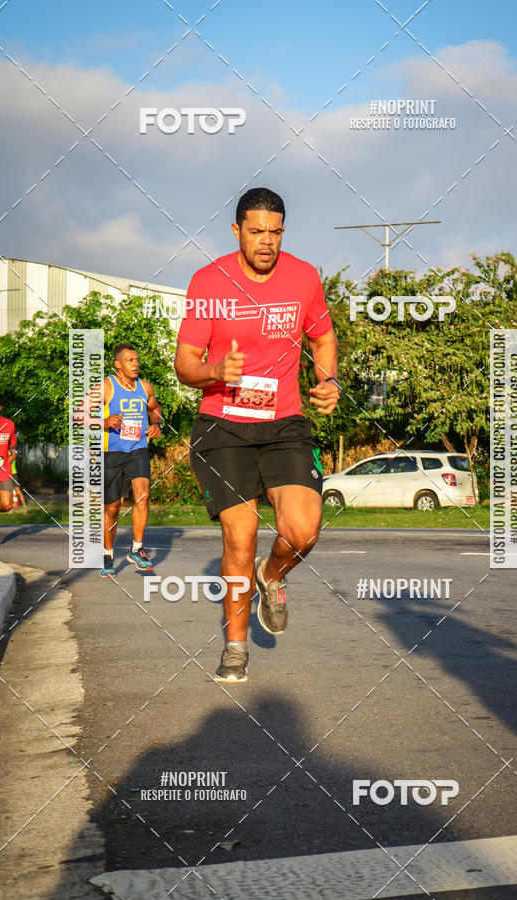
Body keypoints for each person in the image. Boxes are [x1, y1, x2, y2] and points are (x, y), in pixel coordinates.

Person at [175, 187, 340, 683]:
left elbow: (323, 337)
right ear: (236, 232)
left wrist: (327, 379)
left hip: (284, 423)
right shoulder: (208, 282)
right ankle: (234, 647)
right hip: (223, 426)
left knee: (304, 530)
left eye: (275, 232)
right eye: (256, 232)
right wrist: (214, 370)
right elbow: (184, 365)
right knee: (241, 534)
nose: (266, 241)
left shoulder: (304, 277)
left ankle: (271, 578)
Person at [100, 345, 163, 577]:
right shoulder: (106, 387)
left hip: (138, 448)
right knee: (112, 508)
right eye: (130, 360)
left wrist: (157, 424)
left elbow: (155, 410)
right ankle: (108, 553)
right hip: (112, 452)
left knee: (143, 495)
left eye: (137, 359)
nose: (135, 364)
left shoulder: (144, 387)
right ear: (118, 364)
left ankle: (137, 549)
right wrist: (105, 420)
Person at [0, 402, 17, 513]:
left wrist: (13, 451)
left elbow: (13, 442)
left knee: (7, 505)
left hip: (4, 470)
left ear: (0, 408)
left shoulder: (9, 424)